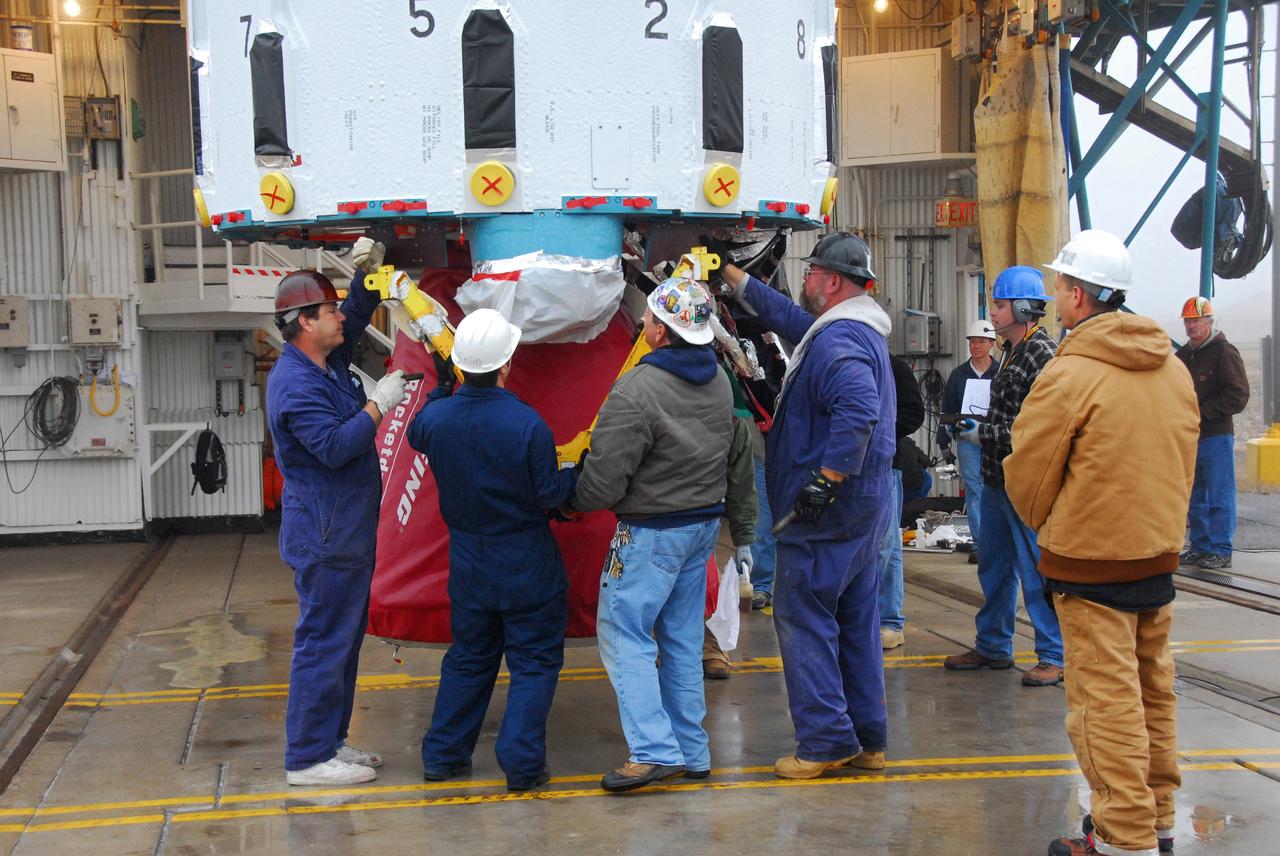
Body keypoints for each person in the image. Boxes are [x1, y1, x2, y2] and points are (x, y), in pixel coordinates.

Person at [1005, 229, 1198, 856]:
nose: (1056, 297)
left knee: (1105, 707)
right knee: (1151, 696)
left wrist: (1054, 528)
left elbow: (1028, 481)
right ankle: (1158, 821)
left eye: (1060, 286)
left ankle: (1123, 838)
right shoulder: (1171, 366)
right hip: (1156, 557)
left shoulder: (1072, 373)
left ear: (1080, 297)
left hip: (1090, 568)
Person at [720, 232, 896, 780]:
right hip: (866, 509)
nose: (805, 280)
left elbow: (858, 407)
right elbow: (789, 321)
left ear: (834, 282)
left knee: (803, 615)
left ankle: (823, 741)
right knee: (854, 620)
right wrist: (734, 277)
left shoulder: (840, 344)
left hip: (829, 513)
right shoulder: (852, 329)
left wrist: (826, 479)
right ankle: (867, 740)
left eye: (813, 273)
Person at [570, 276, 733, 792]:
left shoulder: (638, 390)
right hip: (700, 527)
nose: (641, 324)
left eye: (648, 320)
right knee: (683, 639)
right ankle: (692, 749)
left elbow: (604, 478)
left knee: (626, 634)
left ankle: (653, 751)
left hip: (650, 533)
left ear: (662, 332)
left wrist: (568, 499)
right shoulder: (720, 381)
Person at [406, 308, 578, 793]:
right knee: (534, 662)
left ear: (460, 364)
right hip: (527, 564)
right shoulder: (527, 425)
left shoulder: (436, 420)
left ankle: (442, 756)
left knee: (470, 657)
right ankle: (521, 765)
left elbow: (418, 429)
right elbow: (550, 495)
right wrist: (576, 475)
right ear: (507, 363)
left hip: (469, 565)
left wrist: (441, 387)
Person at [266, 238, 408, 786]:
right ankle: (306, 757)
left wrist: (365, 280)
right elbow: (333, 445)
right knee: (324, 642)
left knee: (344, 642)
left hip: (344, 528)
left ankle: (331, 741)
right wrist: (380, 403)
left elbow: (351, 316)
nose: (337, 318)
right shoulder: (295, 385)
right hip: (326, 535)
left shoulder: (324, 362)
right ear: (303, 323)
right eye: (326, 311)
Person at [944, 265, 1064, 687]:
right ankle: (994, 645)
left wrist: (983, 433)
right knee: (994, 566)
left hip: (1024, 484)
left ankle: (1054, 655)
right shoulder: (1012, 352)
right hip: (998, 479)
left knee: (1035, 570)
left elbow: (1039, 431)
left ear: (1024, 307)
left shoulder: (1042, 356)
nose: (991, 312)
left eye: (998, 304)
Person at [1175, 296, 1250, 571]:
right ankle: (1201, 546)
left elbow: (1238, 395)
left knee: (1219, 494)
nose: (1191, 326)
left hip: (1216, 436)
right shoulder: (1183, 356)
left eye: (1196, 321)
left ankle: (1221, 549)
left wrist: (1202, 412)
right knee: (1195, 495)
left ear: (1209, 322)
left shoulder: (1224, 352)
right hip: (1190, 437)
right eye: (1188, 321)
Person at [703, 375, 758, 680]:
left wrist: (744, 538)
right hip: (660, 514)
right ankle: (675, 652)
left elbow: (741, 482)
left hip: (702, 519)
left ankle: (712, 648)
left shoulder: (733, 424)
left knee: (708, 588)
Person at [936, 320, 999, 554]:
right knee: (974, 488)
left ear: (992, 344)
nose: (976, 346)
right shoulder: (958, 376)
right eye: (973, 342)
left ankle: (994, 541)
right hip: (967, 440)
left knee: (994, 488)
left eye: (981, 341)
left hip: (994, 440)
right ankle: (981, 544)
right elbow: (947, 409)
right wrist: (944, 440)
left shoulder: (1001, 373)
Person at [878, 355, 925, 650]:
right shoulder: (839, 361)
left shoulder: (893, 367)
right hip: (844, 466)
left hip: (884, 465)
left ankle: (890, 621)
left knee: (886, 544)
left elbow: (914, 413)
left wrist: (881, 430)